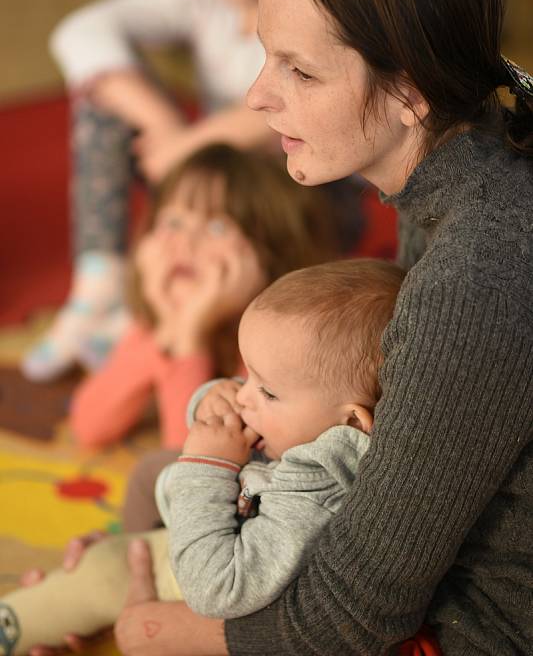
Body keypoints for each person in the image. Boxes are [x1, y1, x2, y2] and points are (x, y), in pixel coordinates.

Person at [97, 0, 531, 656]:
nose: (259, 97)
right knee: (165, 485)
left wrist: (163, 628)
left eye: (299, 70)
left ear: (408, 90)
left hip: (477, 626)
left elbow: (359, 611)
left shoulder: (476, 274)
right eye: (266, 57)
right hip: (411, 554)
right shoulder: (457, 171)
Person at [3, 259, 436, 656]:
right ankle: (115, 574)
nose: (242, 397)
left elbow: (219, 589)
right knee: (150, 471)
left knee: (93, 579)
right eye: (247, 374)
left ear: (354, 425)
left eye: (267, 391)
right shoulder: (306, 427)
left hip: (211, 584)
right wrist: (209, 402)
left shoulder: (314, 493)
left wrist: (208, 467)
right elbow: (227, 405)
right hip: (202, 529)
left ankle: (87, 594)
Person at [21, 0, 297, 382]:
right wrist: (167, 130)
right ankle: (100, 280)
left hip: (297, 185)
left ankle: (151, 304)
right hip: (212, 168)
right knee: (104, 102)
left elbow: (283, 111)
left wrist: (186, 146)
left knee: (222, 168)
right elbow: (78, 33)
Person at [66, 143, 336, 450]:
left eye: (217, 227)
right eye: (174, 222)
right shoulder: (170, 314)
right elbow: (88, 426)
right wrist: (171, 328)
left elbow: (192, 462)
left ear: (268, 253)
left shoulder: (273, 347)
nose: (187, 243)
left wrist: (189, 338)